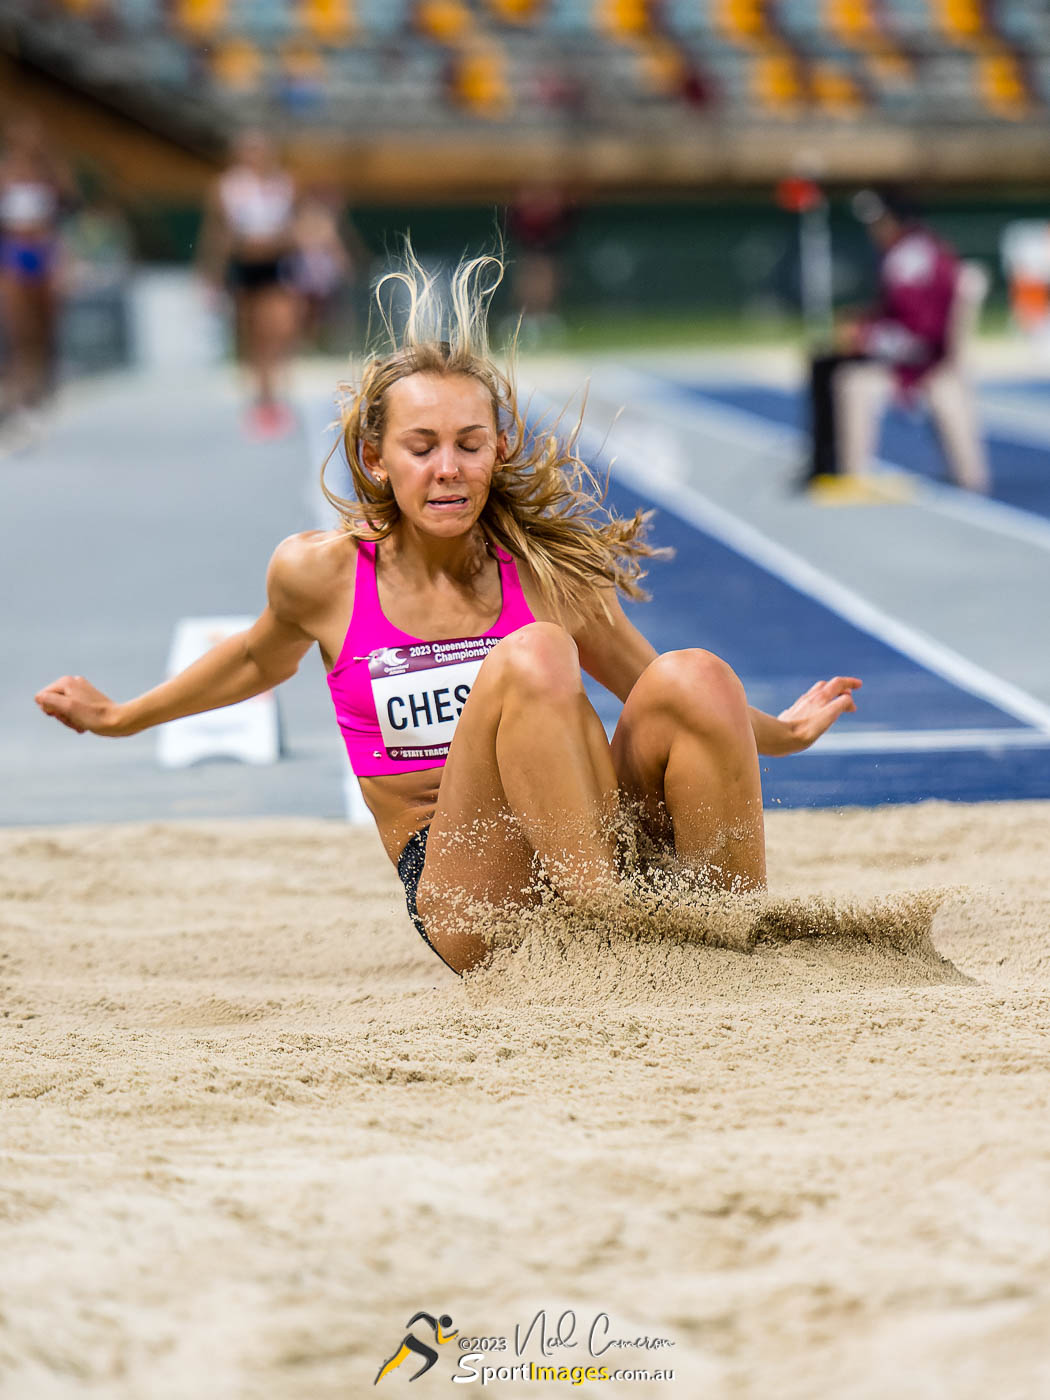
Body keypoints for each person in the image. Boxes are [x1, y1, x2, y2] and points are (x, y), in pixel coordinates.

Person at [35, 249, 861, 977]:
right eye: (420, 446)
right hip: (467, 885)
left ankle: (732, 936)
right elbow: (256, 659)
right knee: (534, 657)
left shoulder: (542, 573)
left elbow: (660, 691)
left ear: (499, 448)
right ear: (375, 457)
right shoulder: (322, 575)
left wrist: (781, 732)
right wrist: (123, 718)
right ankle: (615, 947)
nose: (447, 470)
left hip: (594, 843)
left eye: (469, 443)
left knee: (695, 673)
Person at [806, 189, 984, 488]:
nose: (872, 230)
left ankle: (851, 474)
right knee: (837, 368)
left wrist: (865, 335)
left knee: (848, 381)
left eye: (877, 221)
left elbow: (920, 332)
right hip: (929, 357)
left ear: (893, 221)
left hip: (927, 362)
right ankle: (968, 475)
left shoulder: (907, 258)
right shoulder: (921, 249)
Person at [196, 129, 300, 440]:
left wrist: (279, 243)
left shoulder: (285, 185)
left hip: (275, 264)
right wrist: (210, 274)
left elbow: (295, 227)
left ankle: (275, 391)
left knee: (279, 329)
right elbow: (217, 233)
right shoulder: (227, 187)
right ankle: (261, 399)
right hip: (244, 266)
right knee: (253, 335)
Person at [0, 113, 76, 441]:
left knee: (46, 325)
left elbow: (73, 205)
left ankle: (44, 379)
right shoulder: (4, 173)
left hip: (45, 252)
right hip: (15, 252)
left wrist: (54, 168)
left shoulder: (51, 174)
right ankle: (22, 392)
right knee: (19, 327)